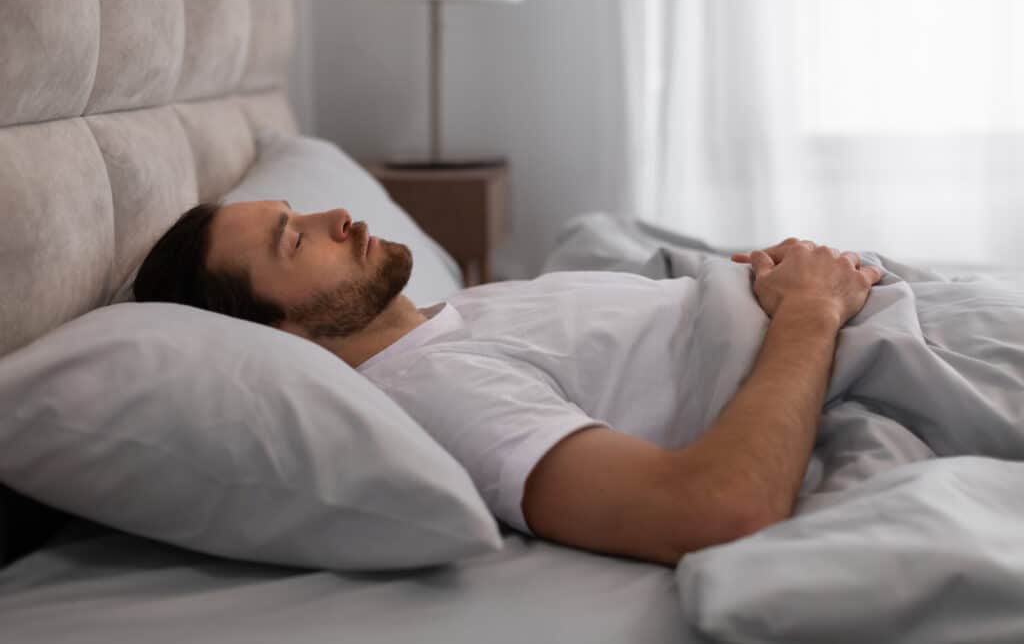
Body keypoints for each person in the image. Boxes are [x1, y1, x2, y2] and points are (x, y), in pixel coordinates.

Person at [135, 200, 883, 567]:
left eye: (299, 210)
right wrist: (812, 308)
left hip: (849, 305)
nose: (339, 217)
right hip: (866, 352)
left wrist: (769, 273)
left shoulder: (445, 315)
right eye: (294, 240)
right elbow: (719, 510)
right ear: (280, 337)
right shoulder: (435, 391)